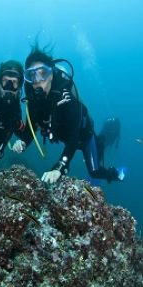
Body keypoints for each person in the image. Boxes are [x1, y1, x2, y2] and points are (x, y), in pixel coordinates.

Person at [12, 46, 124, 184]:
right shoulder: (34, 100)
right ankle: (102, 139)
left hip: (83, 136)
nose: (37, 80)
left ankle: (117, 173)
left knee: (95, 172)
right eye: (32, 75)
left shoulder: (66, 98)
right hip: (65, 137)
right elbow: (32, 127)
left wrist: (61, 166)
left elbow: (74, 136)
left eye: (42, 73)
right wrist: (23, 142)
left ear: (51, 74)